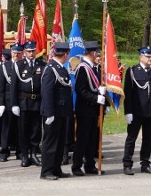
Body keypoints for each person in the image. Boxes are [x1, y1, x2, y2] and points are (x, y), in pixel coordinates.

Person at [122, 46, 151, 175]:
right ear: (141, 57)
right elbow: (128, 93)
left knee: (148, 139)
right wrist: (128, 111)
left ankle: (145, 164)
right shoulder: (132, 71)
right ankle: (127, 164)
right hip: (136, 111)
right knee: (131, 138)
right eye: (148, 56)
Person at [39, 42, 74, 180]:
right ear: (65, 54)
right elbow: (47, 92)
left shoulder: (61, 68)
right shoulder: (51, 69)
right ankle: (46, 171)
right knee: (50, 143)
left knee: (59, 143)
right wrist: (49, 113)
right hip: (53, 113)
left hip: (62, 112)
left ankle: (56, 169)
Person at [71, 41, 106, 176]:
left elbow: (95, 87)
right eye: (97, 53)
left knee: (92, 138)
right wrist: (95, 98)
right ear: (92, 53)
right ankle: (76, 166)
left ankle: (90, 165)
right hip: (84, 109)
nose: (98, 55)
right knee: (82, 138)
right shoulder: (83, 68)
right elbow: (80, 90)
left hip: (93, 109)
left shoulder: (94, 68)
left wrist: (101, 95)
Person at [10, 41, 45, 167]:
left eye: (33, 51)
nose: (31, 53)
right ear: (24, 52)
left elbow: (43, 86)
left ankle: (34, 154)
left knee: (36, 131)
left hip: (37, 101)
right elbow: (13, 86)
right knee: (23, 130)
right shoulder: (19, 65)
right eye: (29, 51)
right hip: (23, 102)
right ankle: (24, 155)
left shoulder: (41, 65)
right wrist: (14, 104)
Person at [0, 44, 23, 162]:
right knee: (6, 129)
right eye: (14, 52)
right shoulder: (4, 66)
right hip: (7, 102)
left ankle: (20, 151)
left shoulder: (24, 66)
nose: (16, 55)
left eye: (18, 53)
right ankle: (4, 151)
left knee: (19, 129)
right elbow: (0, 87)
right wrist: (0, 104)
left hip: (21, 102)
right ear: (11, 52)